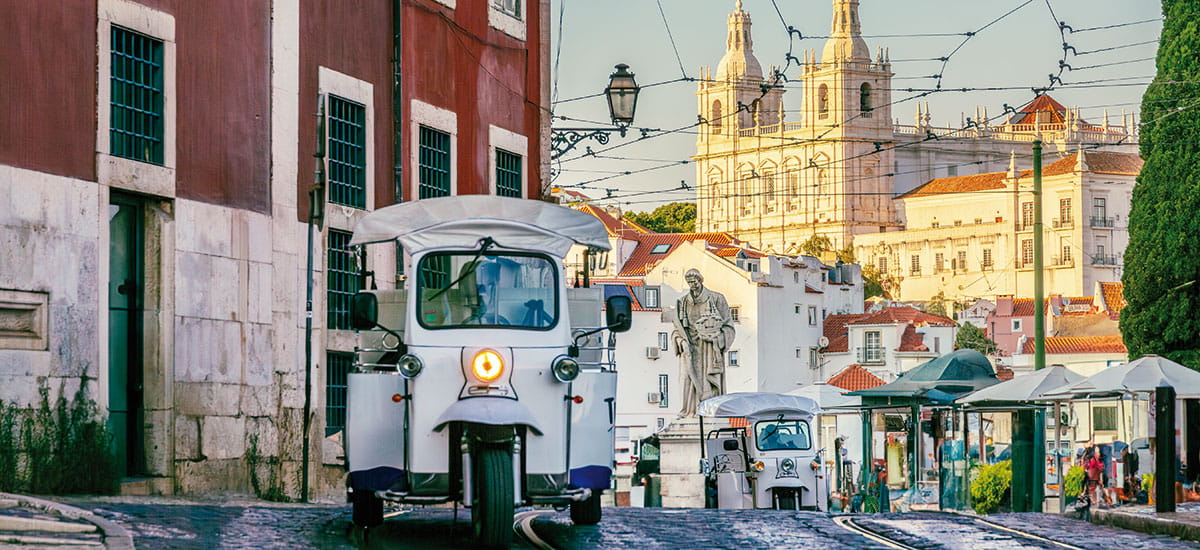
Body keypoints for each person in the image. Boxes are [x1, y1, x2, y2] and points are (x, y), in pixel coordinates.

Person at [674, 269, 735, 416]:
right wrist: (681, 342)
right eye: (689, 283)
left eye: (694, 282)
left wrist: (716, 338)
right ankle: (690, 411)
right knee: (688, 382)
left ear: (700, 281)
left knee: (709, 384)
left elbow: (728, 327)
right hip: (690, 348)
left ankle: (708, 410)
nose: (692, 285)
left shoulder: (716, 299)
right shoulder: (681, 302)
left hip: (709, 349)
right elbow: (677, 329)